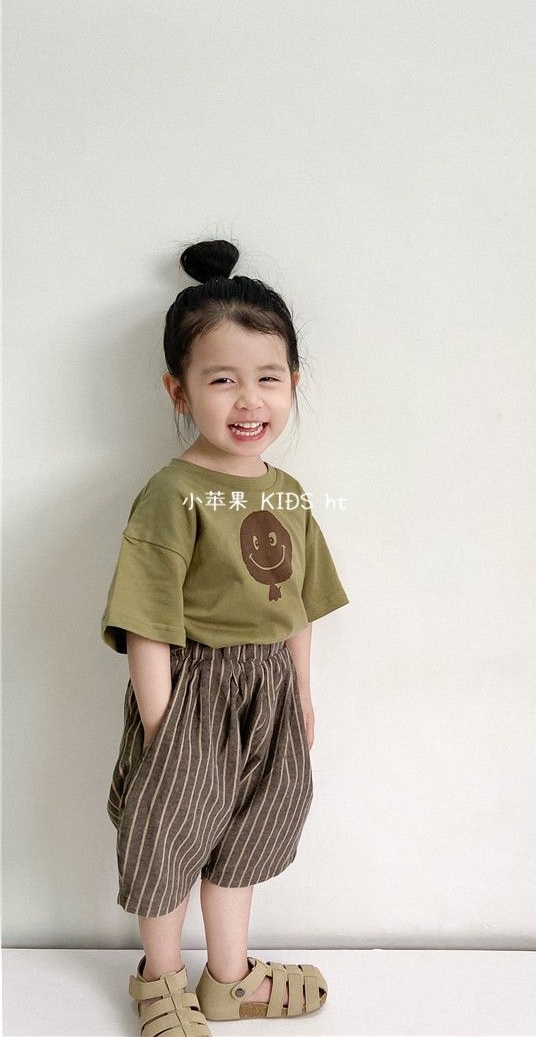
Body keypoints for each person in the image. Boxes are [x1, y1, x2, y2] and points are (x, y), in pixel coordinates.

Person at [100, 238, 348, 1034]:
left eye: (268, 377)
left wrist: (302, 698)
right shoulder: (172, 494)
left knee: (248, 836)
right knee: (171, 839)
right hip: (193, 694)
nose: (249, 401)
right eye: (221, 380)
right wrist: (162, 726)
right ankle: (161, 980)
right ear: (178, 390)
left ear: (294, 383)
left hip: (268, 694)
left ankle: (229, 981)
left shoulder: (290, 493)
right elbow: (147, 621)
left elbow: (297, 609)